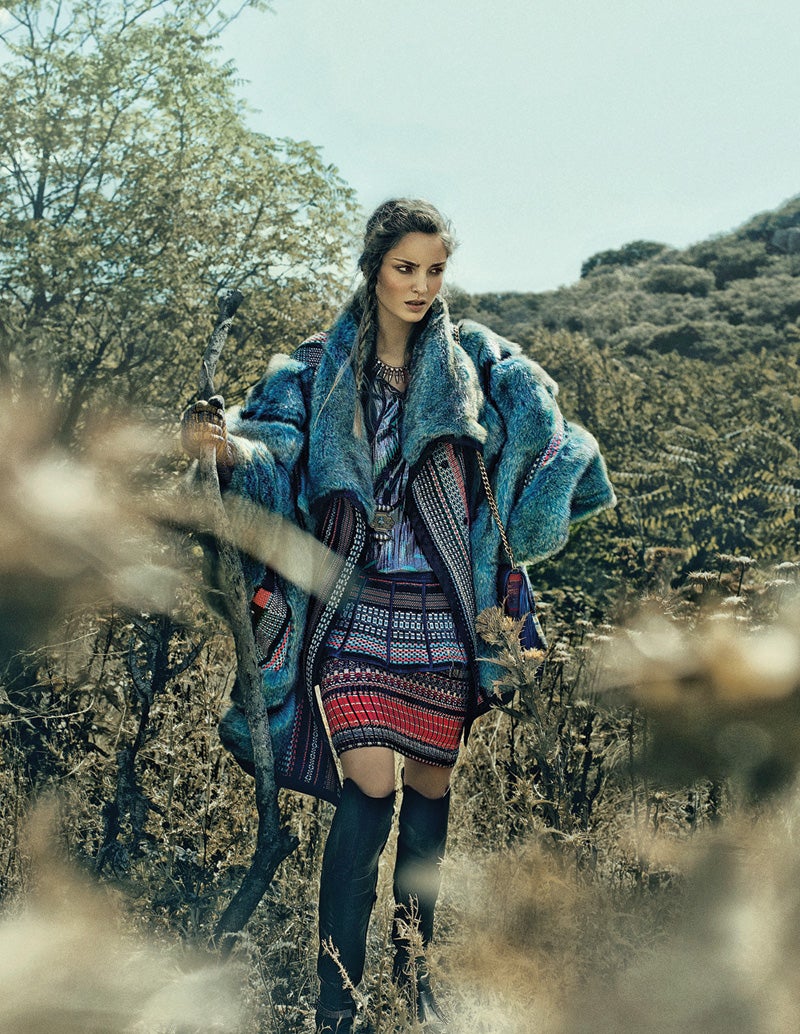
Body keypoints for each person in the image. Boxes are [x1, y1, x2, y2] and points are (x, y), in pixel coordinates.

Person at [182, 198, 615, 1033]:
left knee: (430, 787)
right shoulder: (315, 370)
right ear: (374, 269)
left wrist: (531, 473)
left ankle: (417, 981)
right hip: (353, 606)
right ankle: (336, 1002)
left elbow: (550, 444)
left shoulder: (476, 366)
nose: (420, 286)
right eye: (404, 268)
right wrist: (224, 452)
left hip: (442, 614)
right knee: (369, 783)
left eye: (435, 270)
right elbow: (274, 454)